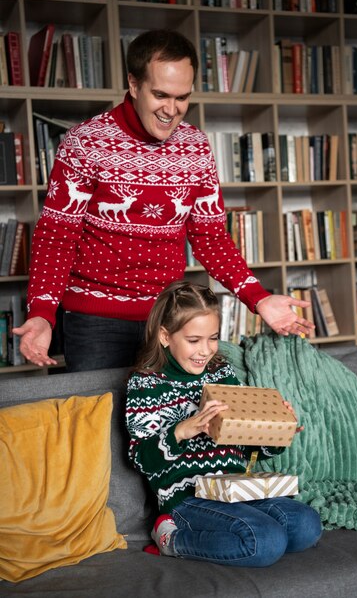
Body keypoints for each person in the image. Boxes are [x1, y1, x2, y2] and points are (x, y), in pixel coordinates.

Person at [14, 29, 313, 372]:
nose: (171, 110)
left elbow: (211, 238)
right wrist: (41, 313)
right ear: (133, 83)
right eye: (160, 94)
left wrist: (258, 298)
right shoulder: (85, 142)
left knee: (173, 421)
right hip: (96, 323)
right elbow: (56, 236)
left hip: (170, 319)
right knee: (100, 421)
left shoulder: (196, 147)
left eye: (183, 98)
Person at [125, 280, 322, 567]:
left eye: (213, 338)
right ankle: (172, 539)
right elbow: (140, 459)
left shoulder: (221, 373)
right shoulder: (146, 383)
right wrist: (182, 430)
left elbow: (245, 446)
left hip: (236, 488)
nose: (205, 351)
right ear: (165, 336)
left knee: (307, 525)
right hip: (189, 497)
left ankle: (245, 530)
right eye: (194, 340)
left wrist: (275, 432)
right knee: (265, 541)